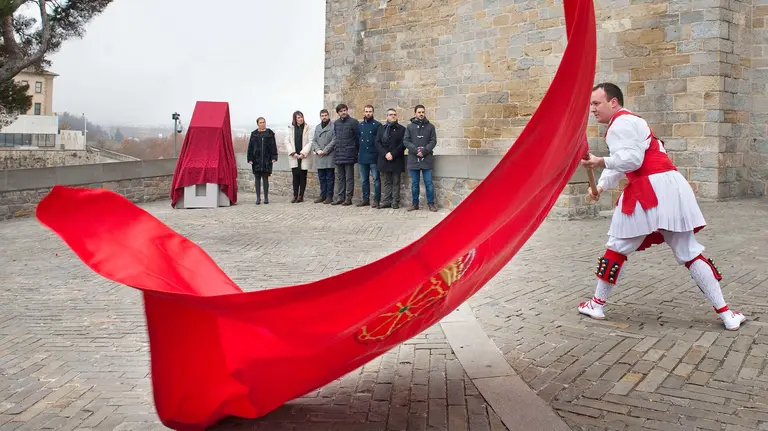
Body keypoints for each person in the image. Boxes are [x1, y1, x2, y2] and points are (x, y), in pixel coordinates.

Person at [579, 82, 745, 331]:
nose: (592, 109)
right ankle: (727, 314)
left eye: (596, 103)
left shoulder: (620, 124)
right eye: (591, 104)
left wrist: (600, 161)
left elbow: (632, 161)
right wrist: (601, 186)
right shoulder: (632, 122)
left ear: (613, 102)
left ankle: (597, 304)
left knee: (617, 247)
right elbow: (625, 161)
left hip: (650, 188)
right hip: (670, 187)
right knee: (689, 251)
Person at [403, 104, 437, 212]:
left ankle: (431, 204)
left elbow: (433, 141)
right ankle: (415, 204)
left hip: (427, 159)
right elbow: (406, 141)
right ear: (415, 113)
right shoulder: (410, 127)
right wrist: (415, 150)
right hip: (413, 159)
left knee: (429, 183)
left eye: (423, 112)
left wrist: (424, 151)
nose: (421, 114)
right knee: (415, 184)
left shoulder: (431, 127)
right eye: (419, 112)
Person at [375, 108, 406, 209]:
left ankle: (395, 201)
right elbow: (377, 143)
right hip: (385, 159)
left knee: (396, 181)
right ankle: (386, 201)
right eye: (391, 114)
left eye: (394, 114)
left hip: (396, 159)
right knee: (387, 181)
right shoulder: (381, 128)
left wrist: (393, 154)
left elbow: (403, 144)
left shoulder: (402, 129)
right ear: (387, 116)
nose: (393, 116)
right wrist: (385, 154)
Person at [331, 104, 359, 206]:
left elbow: (357, 138)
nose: (343, 112)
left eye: (345, 110)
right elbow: (336, 138)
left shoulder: (354, 122)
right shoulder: (336, 123)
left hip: (349, 154)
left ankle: (348, 198)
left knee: (349, 178)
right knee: (340, 178)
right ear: (338, 113)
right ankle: (340, 197)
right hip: (339, 154)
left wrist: (355, 151)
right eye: (341, 111)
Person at [246, 117, 278, 205]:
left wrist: (274, 157)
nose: (262, 124)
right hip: (256, 160)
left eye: (264, 122)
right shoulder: (254, 134)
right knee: (257, 178)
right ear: (258, 124)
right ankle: (258, 198)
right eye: (260, 122)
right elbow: (250, 147)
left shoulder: (270, 134)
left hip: (266, 160)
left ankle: (266, 197)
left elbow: (273, 146)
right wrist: (250, 158)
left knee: (265, 178)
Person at [284, 110, 313, 203]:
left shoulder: (308, 128)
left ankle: (301, 196)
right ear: (295, 119)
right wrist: (293, 153)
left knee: (303, 176)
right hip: (294, 156)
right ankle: (295, 195)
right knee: (295, 176)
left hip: (303, 156)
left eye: (301, 117)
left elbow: (310, 141)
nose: (301, 119)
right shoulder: (291, 129)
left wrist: (303, 153)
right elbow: (287, 141)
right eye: (298, 117)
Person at [357, 105, 382, 208]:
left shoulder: (378, 125)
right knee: (364, 180)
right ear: (364, 112)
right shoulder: (360, 125)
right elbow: (357, 140)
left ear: (373, 112)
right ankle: (365, 199)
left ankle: (376, 200)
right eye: (366, 111)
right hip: (362, 156)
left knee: (376, 180)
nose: (368, 113)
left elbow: (379, 141)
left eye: (370, 111)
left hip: (374, 157)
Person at [311, 109, 335, 204]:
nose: (324, 117)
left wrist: (325, 151)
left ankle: (329, 196)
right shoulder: (317, 127)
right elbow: (314, 140)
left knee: (329, 178)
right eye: (322, 116)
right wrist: (318, 150)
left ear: (328, 116)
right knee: (321, 178)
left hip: (329, 155)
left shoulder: (333, 126)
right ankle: (322, 195)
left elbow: (334, 140)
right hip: (319, 156)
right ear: (320, 117)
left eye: (325, 115)